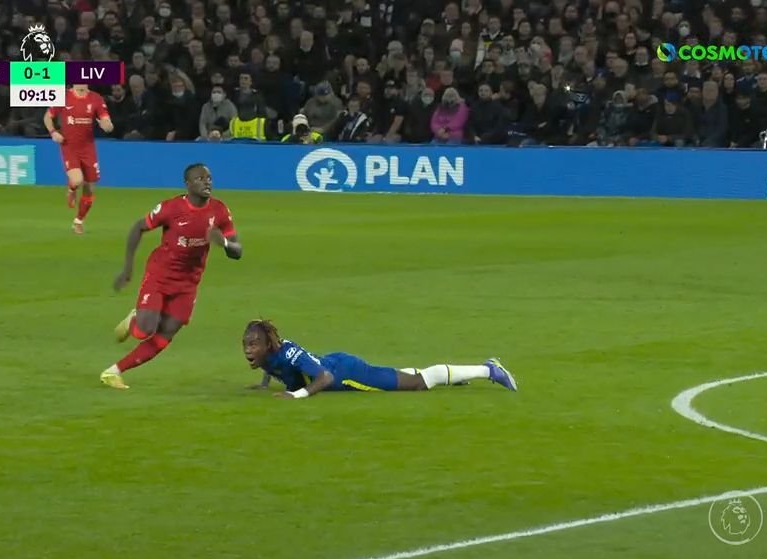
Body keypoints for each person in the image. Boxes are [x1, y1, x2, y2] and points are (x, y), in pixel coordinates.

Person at [101, 164, 242, 389]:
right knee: (144, 330)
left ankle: (113, 372)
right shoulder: (171, 208)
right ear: (188, 184)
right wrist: (128, 269)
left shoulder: (219, 211)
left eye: (209, 178)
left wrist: (224, 242)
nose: (207, 182)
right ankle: (135, 318)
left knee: (165, 334)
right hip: (160, 275)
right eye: (200, 178)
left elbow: (237, 251)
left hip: (188, 283)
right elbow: (138, 227)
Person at [242, 320, 518, 398]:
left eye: (254, 344)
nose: (249, 350)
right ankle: (455, 378)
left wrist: (297, 395)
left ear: (267, 344)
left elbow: (325, 378)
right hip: (337, 362)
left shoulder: (288, 353)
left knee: (419, 383)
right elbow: (274, 365)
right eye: (246, 344)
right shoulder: (270, 354)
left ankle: (489, 369)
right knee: (402, 376)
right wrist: (264, 383)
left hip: (347, 374)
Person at [43, 84, 114, 235]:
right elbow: (47, 117)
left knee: (89, 188)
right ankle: (72, 188)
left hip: (88, 149)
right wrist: (53, 132)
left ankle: (78, 221)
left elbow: (107, 122)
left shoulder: (96, 98)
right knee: (77, 180)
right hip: (69, 146)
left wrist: (107, 126)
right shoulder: (63, 96)